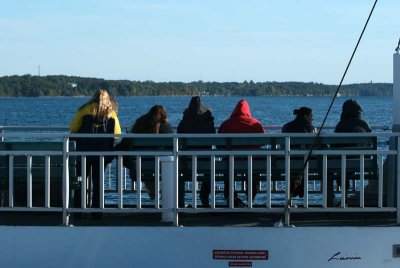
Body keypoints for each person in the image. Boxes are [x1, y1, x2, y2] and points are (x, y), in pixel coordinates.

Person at [70, 89, 121, 214]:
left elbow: (73, 128)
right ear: (107, 100)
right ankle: (97, 212)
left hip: (83, 153)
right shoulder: (111, 113)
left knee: (81, 180)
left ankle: (78, 210)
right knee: (98, 182)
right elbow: (117, 135)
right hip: (102, 154)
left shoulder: (84, 110)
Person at [115, 105, 173, 200]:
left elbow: (119, 148)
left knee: (146, 166)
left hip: (140, 165)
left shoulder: (140, 124)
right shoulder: (166, 127)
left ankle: (152, 190)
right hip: (163, 166)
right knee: (159, 162)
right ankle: (164, 193)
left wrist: (130, 164)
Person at [217, 99, 265, 207]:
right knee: (254, 172)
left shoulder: (226, 124)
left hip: (230, 162)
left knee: (228, 171)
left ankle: (231, 196)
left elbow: (219, 145)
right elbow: (262, 142)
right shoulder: (255, 124)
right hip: (252, 162)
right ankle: (251, 198)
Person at [177, 96, 216, 207]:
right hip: (206, 160)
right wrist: (209, 115)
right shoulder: (207, 120)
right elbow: (213, 135)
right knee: (209, 172)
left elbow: (179, 135)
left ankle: (180, 202)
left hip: (186, 161)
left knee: (179, 173)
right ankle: (204, 197)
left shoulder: (185, 121)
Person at [282, 106, 316, 199]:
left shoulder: (286, 126)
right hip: (305, 162)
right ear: (306, 116)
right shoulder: (311, 128)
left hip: (287, 160)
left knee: (293, 172)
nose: (313, 118)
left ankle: (291, 195)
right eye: (311, 116)